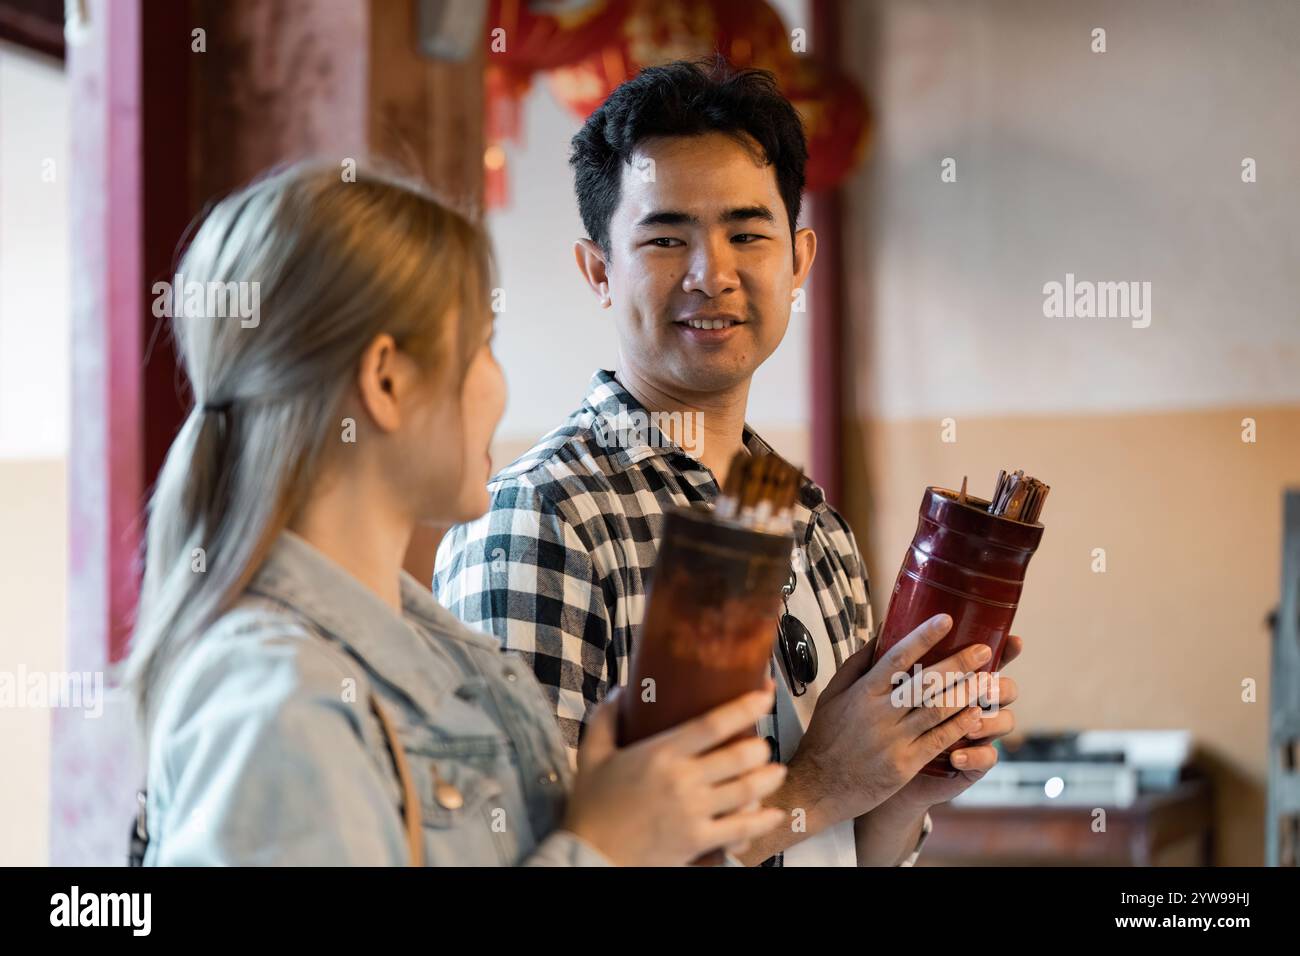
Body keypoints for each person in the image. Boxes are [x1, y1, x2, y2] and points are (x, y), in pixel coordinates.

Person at [433, 60, 1024, 866]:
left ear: (798, 261)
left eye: (747, 235)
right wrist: (822, 782)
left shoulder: (814, 524)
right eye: (666, 239)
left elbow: (839, 845)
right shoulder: (538, 519)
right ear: (599, 271)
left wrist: (896, 787)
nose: (712, 275)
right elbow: (517, 854)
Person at [124, 162, 788, 866]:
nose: (499, 388)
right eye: (481, 347)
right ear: (386, 381)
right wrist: (605, 849)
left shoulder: (447, 658)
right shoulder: (278, 702)